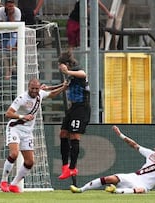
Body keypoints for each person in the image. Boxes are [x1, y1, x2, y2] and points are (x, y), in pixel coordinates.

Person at [0, 78, 66, 193]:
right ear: (28, 88)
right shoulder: (22, 98)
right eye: (32, 88)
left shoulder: (40, 94)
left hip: (27, 132)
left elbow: (52, 94)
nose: (35, 91)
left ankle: (14, 184)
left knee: (30, 162)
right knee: (14, 154)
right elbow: (8, 113)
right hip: (15, 127)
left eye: (36, 88)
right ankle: (4, 181)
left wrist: (63, 87)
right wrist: (22, 117)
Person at [70, 125, 155, 194]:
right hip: (133, 176)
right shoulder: (150, 154)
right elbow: (134, 145)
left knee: (140, 190)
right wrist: (120, 135)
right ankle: (81, 189)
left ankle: (116, 191)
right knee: (109, 178)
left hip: (144, 185)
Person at [41, 51, 90, 181]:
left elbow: (83, 74)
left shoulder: (76, 70)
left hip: (81, 108)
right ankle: (65, 166)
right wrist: (49, 88)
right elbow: (64, 86)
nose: (59, 68)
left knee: (74, 136)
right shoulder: (70, 76)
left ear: (66, 64)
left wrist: (68, 72)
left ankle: (73, 168)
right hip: (72, 108)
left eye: (60, 65)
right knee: (63, 134)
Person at [0, 0, 21, 80]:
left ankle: (13, 65)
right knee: (4, 52)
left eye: (12, 5)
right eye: (9, 6)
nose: (11, 7)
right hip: (3, 32)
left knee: (10, 47)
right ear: (5, 5)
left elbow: (15, 28)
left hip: (13, 32)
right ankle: (8, 71)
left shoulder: (17, 12)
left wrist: (10, 16)